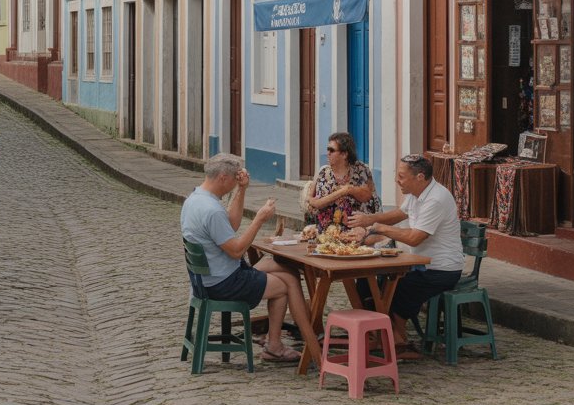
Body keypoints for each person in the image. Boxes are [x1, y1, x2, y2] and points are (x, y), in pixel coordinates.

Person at [180, 154, 321, 365]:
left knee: (287, 269)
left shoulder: (196, 199)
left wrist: (242, 189)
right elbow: (236, 251)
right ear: (222, 177)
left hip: (212, 276)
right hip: (223, 283)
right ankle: (280, 346)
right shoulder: (210, 210)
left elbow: (231, 226)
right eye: (234, 179)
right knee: (285, 284)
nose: (235, 183)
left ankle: (299, 338)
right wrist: (259, 220)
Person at [347, 154, 464, 358]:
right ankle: (380, 335)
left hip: (441, 269)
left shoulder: (435, 199)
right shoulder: (415, 193)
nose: (397, 180)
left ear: (420, 177)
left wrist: (380, 229)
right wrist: (368, 220)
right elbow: (399, 214)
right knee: (367, 283)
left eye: (401, 176)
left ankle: (400, 342)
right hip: (419, 264)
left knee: (396, 289)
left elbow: (414, 237)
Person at [305, 131, 381, 231]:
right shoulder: (323, 172)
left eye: (331, 150)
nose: (328, 153)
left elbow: (367, 196)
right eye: (327, 149)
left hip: (357, 230)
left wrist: (350, 190)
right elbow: (311, 198)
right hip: (328, 231)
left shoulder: (361, 170)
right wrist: (343, 191)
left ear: (344, 154)